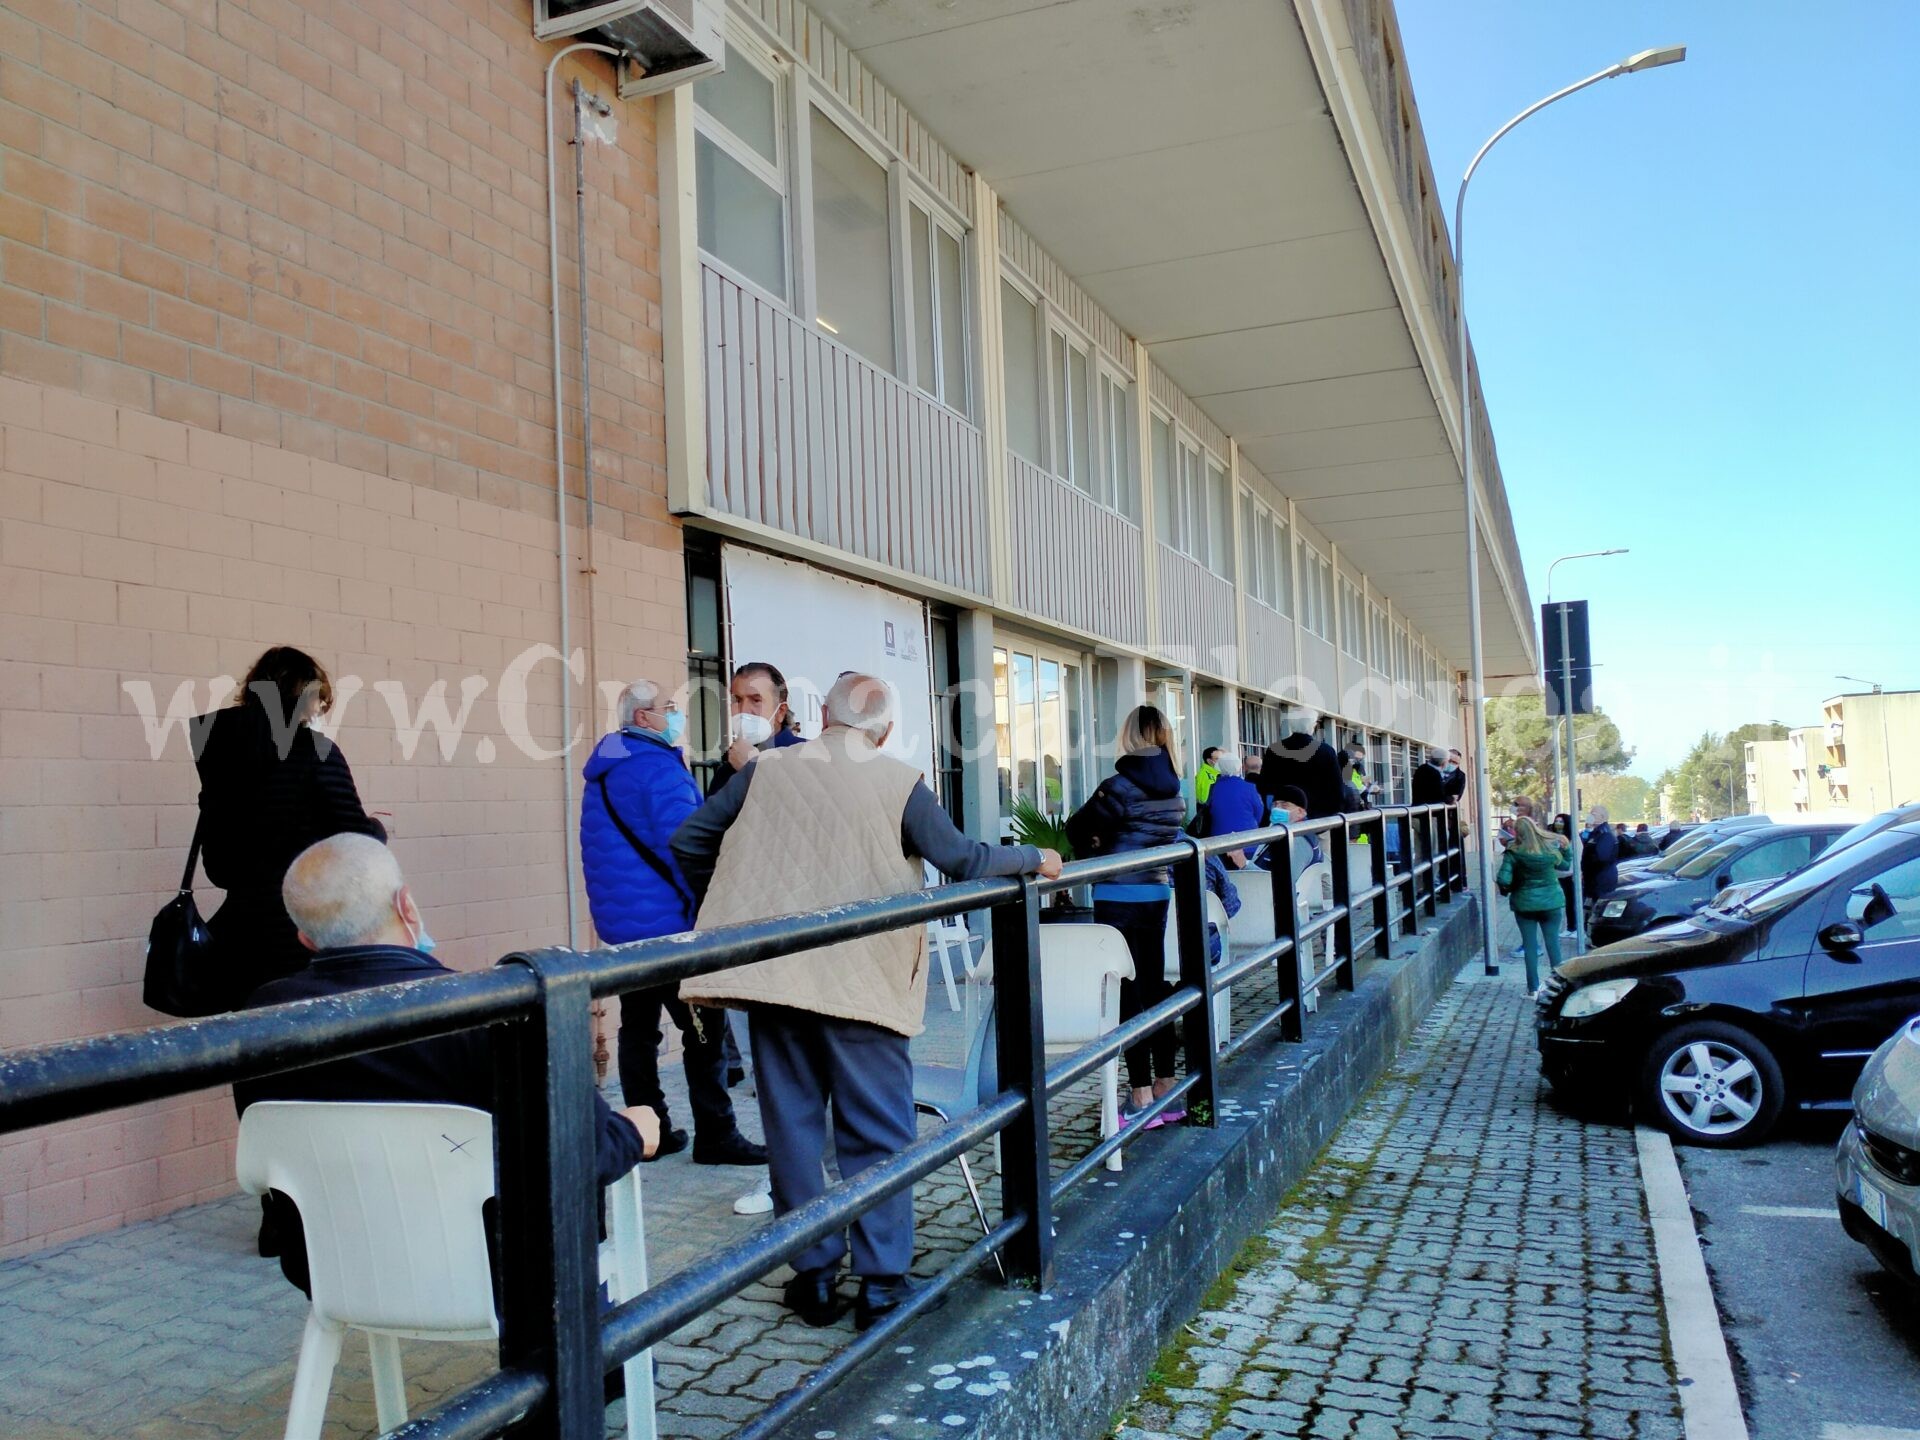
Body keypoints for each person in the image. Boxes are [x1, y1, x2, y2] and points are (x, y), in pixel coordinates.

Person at [672, 674, 1060, 1332]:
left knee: (792, 1131)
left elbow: (689, 842)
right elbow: (962, 860)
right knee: (877, 1130)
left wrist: (737, 899)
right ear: (881, 729)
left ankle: (814, 1279)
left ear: (823, 717)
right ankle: (881, 1286)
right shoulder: (898, 780)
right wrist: (1037, 857)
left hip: (777, 977)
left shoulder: (764, 771)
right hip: (863, 978)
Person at [235, 834, 662, 1297]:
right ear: (407, 906)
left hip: (335, 1272)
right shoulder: (487, 1013)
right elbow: (583, 1151)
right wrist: (634, 1131)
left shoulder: (260, 1022)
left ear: (305, 937)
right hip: (499, 1273)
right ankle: (598, 1368)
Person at [581, 679, 765, 1167]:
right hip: (668, 923)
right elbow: (688, 842)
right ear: (643, 718)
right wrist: (711, 903)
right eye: (668, 709)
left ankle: (651, 1131)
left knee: (638, 1029)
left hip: (624, 924)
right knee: (703, 1027)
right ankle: (717, 1134)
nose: (676, 716)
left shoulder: (606, 765)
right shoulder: (654, 768)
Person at [192, 646, 388, 1011]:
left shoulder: (221, 760)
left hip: (236, 944)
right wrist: (375, 828)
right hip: (305, 940)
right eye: (318, 700)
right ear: (303, 697)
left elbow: (217, 868)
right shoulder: (316, 752)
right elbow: (357, 849)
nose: (318, 712)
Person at [1067, 705, 1190, 1127]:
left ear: (1130, 736)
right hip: (1157, 892)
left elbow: (1077, 830)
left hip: (1116, 893)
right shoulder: (1175, 789)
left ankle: (1138, 1094)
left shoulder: (1117, 786)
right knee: (1153, 985)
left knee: (1125, 992)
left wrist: (1098, 846)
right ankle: (1167, 1089)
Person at [706, 660, 807, 798]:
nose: (744, 709)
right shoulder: (727, 769)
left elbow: (806, 810)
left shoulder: (807, 755)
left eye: (756, 700)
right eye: (738, 700)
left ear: (781, 712)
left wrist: (752, 768)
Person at [1495, 816, 1572, 992]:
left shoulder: (1513, 852)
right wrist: (1567, 849)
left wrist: (1508, 889)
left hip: (1525, 904)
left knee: (1530, 947)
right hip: (1551, 903)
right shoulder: (1549, 849)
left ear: (1517, 832)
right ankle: (1559, 987)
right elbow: (1565, 865)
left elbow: (1503, 878)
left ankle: (1533, 988)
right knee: (1553, 944)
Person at [1257, 721, 1344, 820]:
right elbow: (1337, 788)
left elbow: (1264, 785)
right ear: (1312, 726)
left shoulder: (1274, 750)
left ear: (1292, 726)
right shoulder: (1326, 751)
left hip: (1282, 813)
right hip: (1318, 815)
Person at [1201, 750, 1265, 854]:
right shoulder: (1249, 787)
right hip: (1248, 842)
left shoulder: (1214, 788)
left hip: (1218, 843)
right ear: (1239, 767)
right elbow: (1259, 812)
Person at [1581, 805, 1621, 908]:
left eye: (1593, 814)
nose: (1590, 816)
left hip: (1601, 878)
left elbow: (1602, 857)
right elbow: (1582, 842)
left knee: (1599, 907)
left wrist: (1587, 865)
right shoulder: (1593, 832)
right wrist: (1587, 829)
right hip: (1593, 879)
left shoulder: (1605, 834)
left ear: (1602, 817)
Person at [1551, 814, 1578, 936]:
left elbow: (1577, 858)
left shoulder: (1574, 839)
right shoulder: (1554, 838)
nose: (1558, 824)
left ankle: (1576, 928)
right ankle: (1570, 927)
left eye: (1561, 821)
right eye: (1556, 821)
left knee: (1573, 902)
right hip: (1558, 875)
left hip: (1570, 875)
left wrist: (1577, 872)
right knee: (1566, 902)